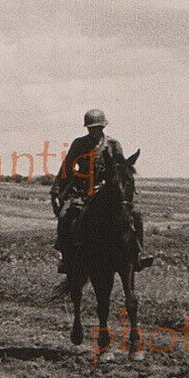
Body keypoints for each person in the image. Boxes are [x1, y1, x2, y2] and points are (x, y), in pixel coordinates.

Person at [50, 108, 153, 275]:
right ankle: (66, 258)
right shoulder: (79, 144)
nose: (94, 131)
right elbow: (66, 168)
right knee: (65, 217)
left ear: (103, 127)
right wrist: (55, 191)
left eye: (97, 128)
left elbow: (120, 170)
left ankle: (138, 254)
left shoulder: (113, 145)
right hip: (82, 192)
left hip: (107, 193)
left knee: (135, 217)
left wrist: (105, 184)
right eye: (91, 128)